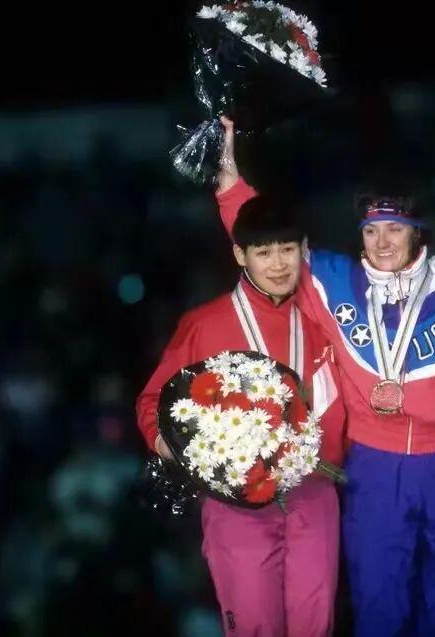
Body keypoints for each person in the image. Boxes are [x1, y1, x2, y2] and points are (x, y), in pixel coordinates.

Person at [214, 117, 435, 636]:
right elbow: (265, 239)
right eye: (371, 230)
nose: (382, 242)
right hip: (373, 463)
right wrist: (229, 181)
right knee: (378, 600)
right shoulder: (333, 280)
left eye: (395, 228)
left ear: (417, 231)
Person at [135, 193, 346, 637]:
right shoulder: (205, 323)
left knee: (316, 624)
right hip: (237, 503)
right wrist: (176, 447)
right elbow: (153, 402)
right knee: (254, 625)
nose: (278, 264)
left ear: (304, 249)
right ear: (239, 254)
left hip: (313, 490)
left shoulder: (323, 319)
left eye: (287, 249)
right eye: (263, 252)